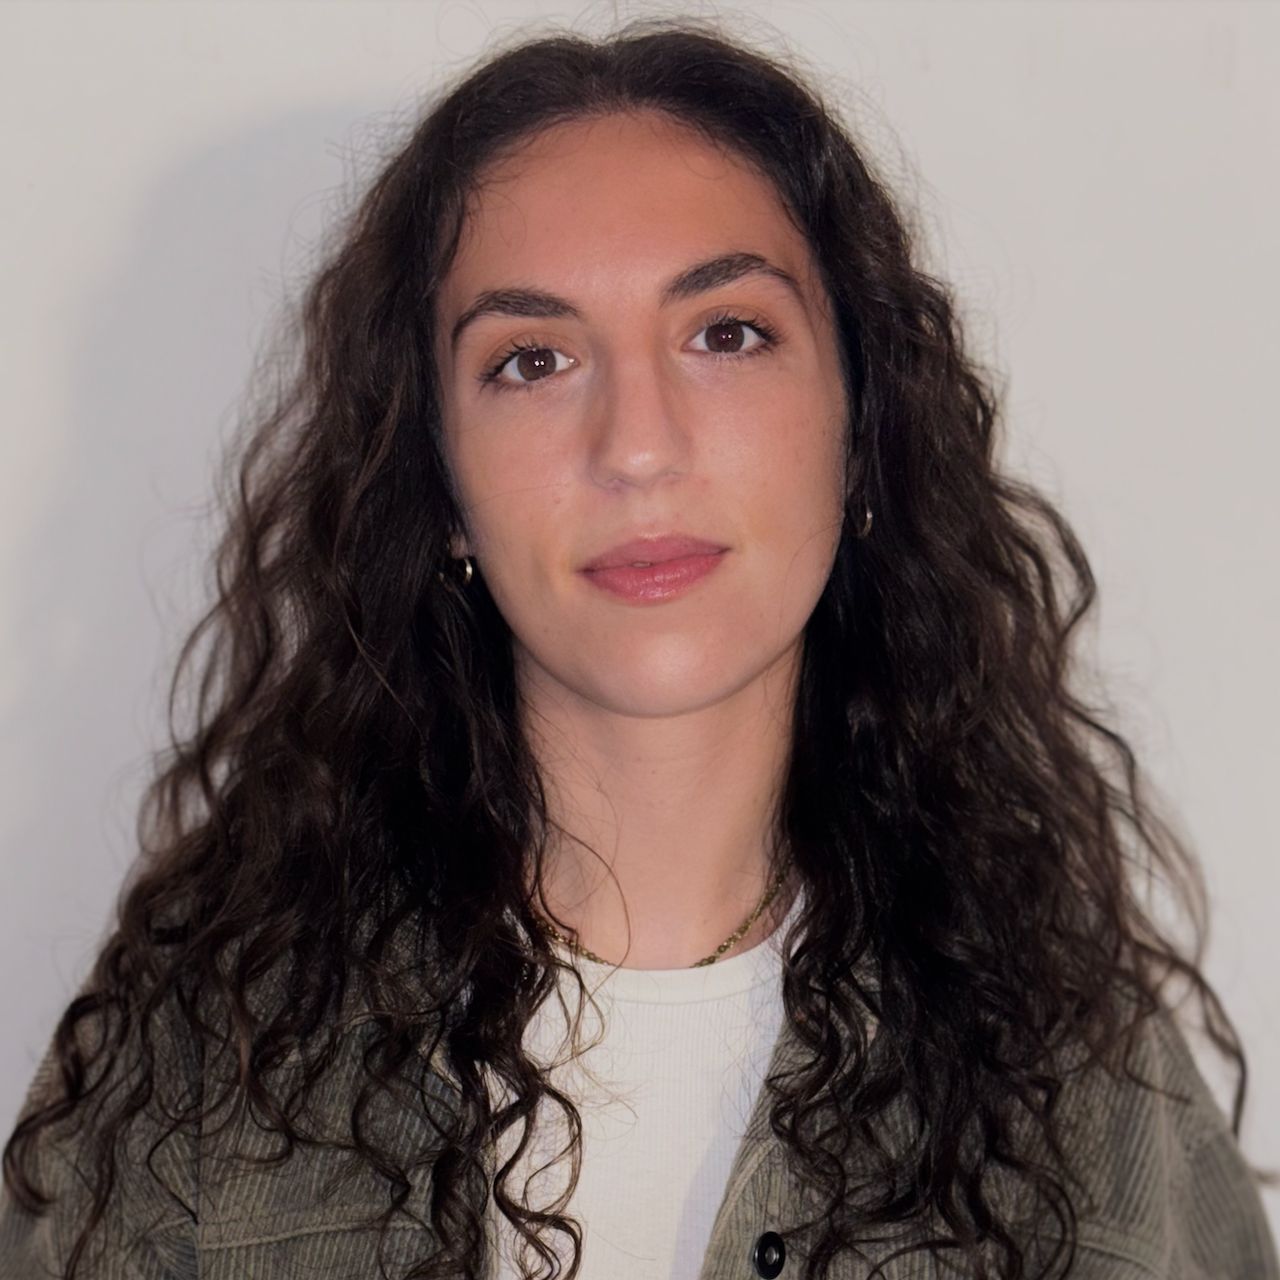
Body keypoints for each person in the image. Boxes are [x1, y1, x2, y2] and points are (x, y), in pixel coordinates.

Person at [1, 17, 1276, 1280]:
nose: (637, 446)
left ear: (860, 428)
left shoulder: (1077, 1083)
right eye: (533, 360)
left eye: (725, 333)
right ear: (438, 485)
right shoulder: (207, 1060)